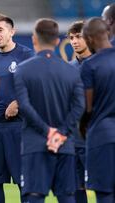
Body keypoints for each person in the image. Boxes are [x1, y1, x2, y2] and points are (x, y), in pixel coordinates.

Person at [14, 18, 85, 203]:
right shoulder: (71, 71)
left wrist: (47, 131)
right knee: (67, 197)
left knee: (35, 197)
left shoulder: (23, 70)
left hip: (34, 146)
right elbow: (79, 107)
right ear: (56, 41)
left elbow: (24, 105)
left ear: (34, 39)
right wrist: (60, 133)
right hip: (65, 145)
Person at [0, 13, 34, 203]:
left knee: (23, 181)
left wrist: (18, 102)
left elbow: (37, 88)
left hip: (18, 129)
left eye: (0, 30)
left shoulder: (26, 56)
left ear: (12, 31)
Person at [81, 17, 115, 203]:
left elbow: (87, 107)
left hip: (102, 136)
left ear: (89, 38)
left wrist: (81, 126)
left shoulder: (90, 65)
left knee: (105, 193)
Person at [67, 20, 92, 203]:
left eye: (79, 36)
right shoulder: (67, 69)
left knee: (104, 187)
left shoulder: (103, 64)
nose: (75, 41)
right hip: (73, 141)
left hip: (96, 140)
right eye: (72, 38)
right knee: (76, 189)